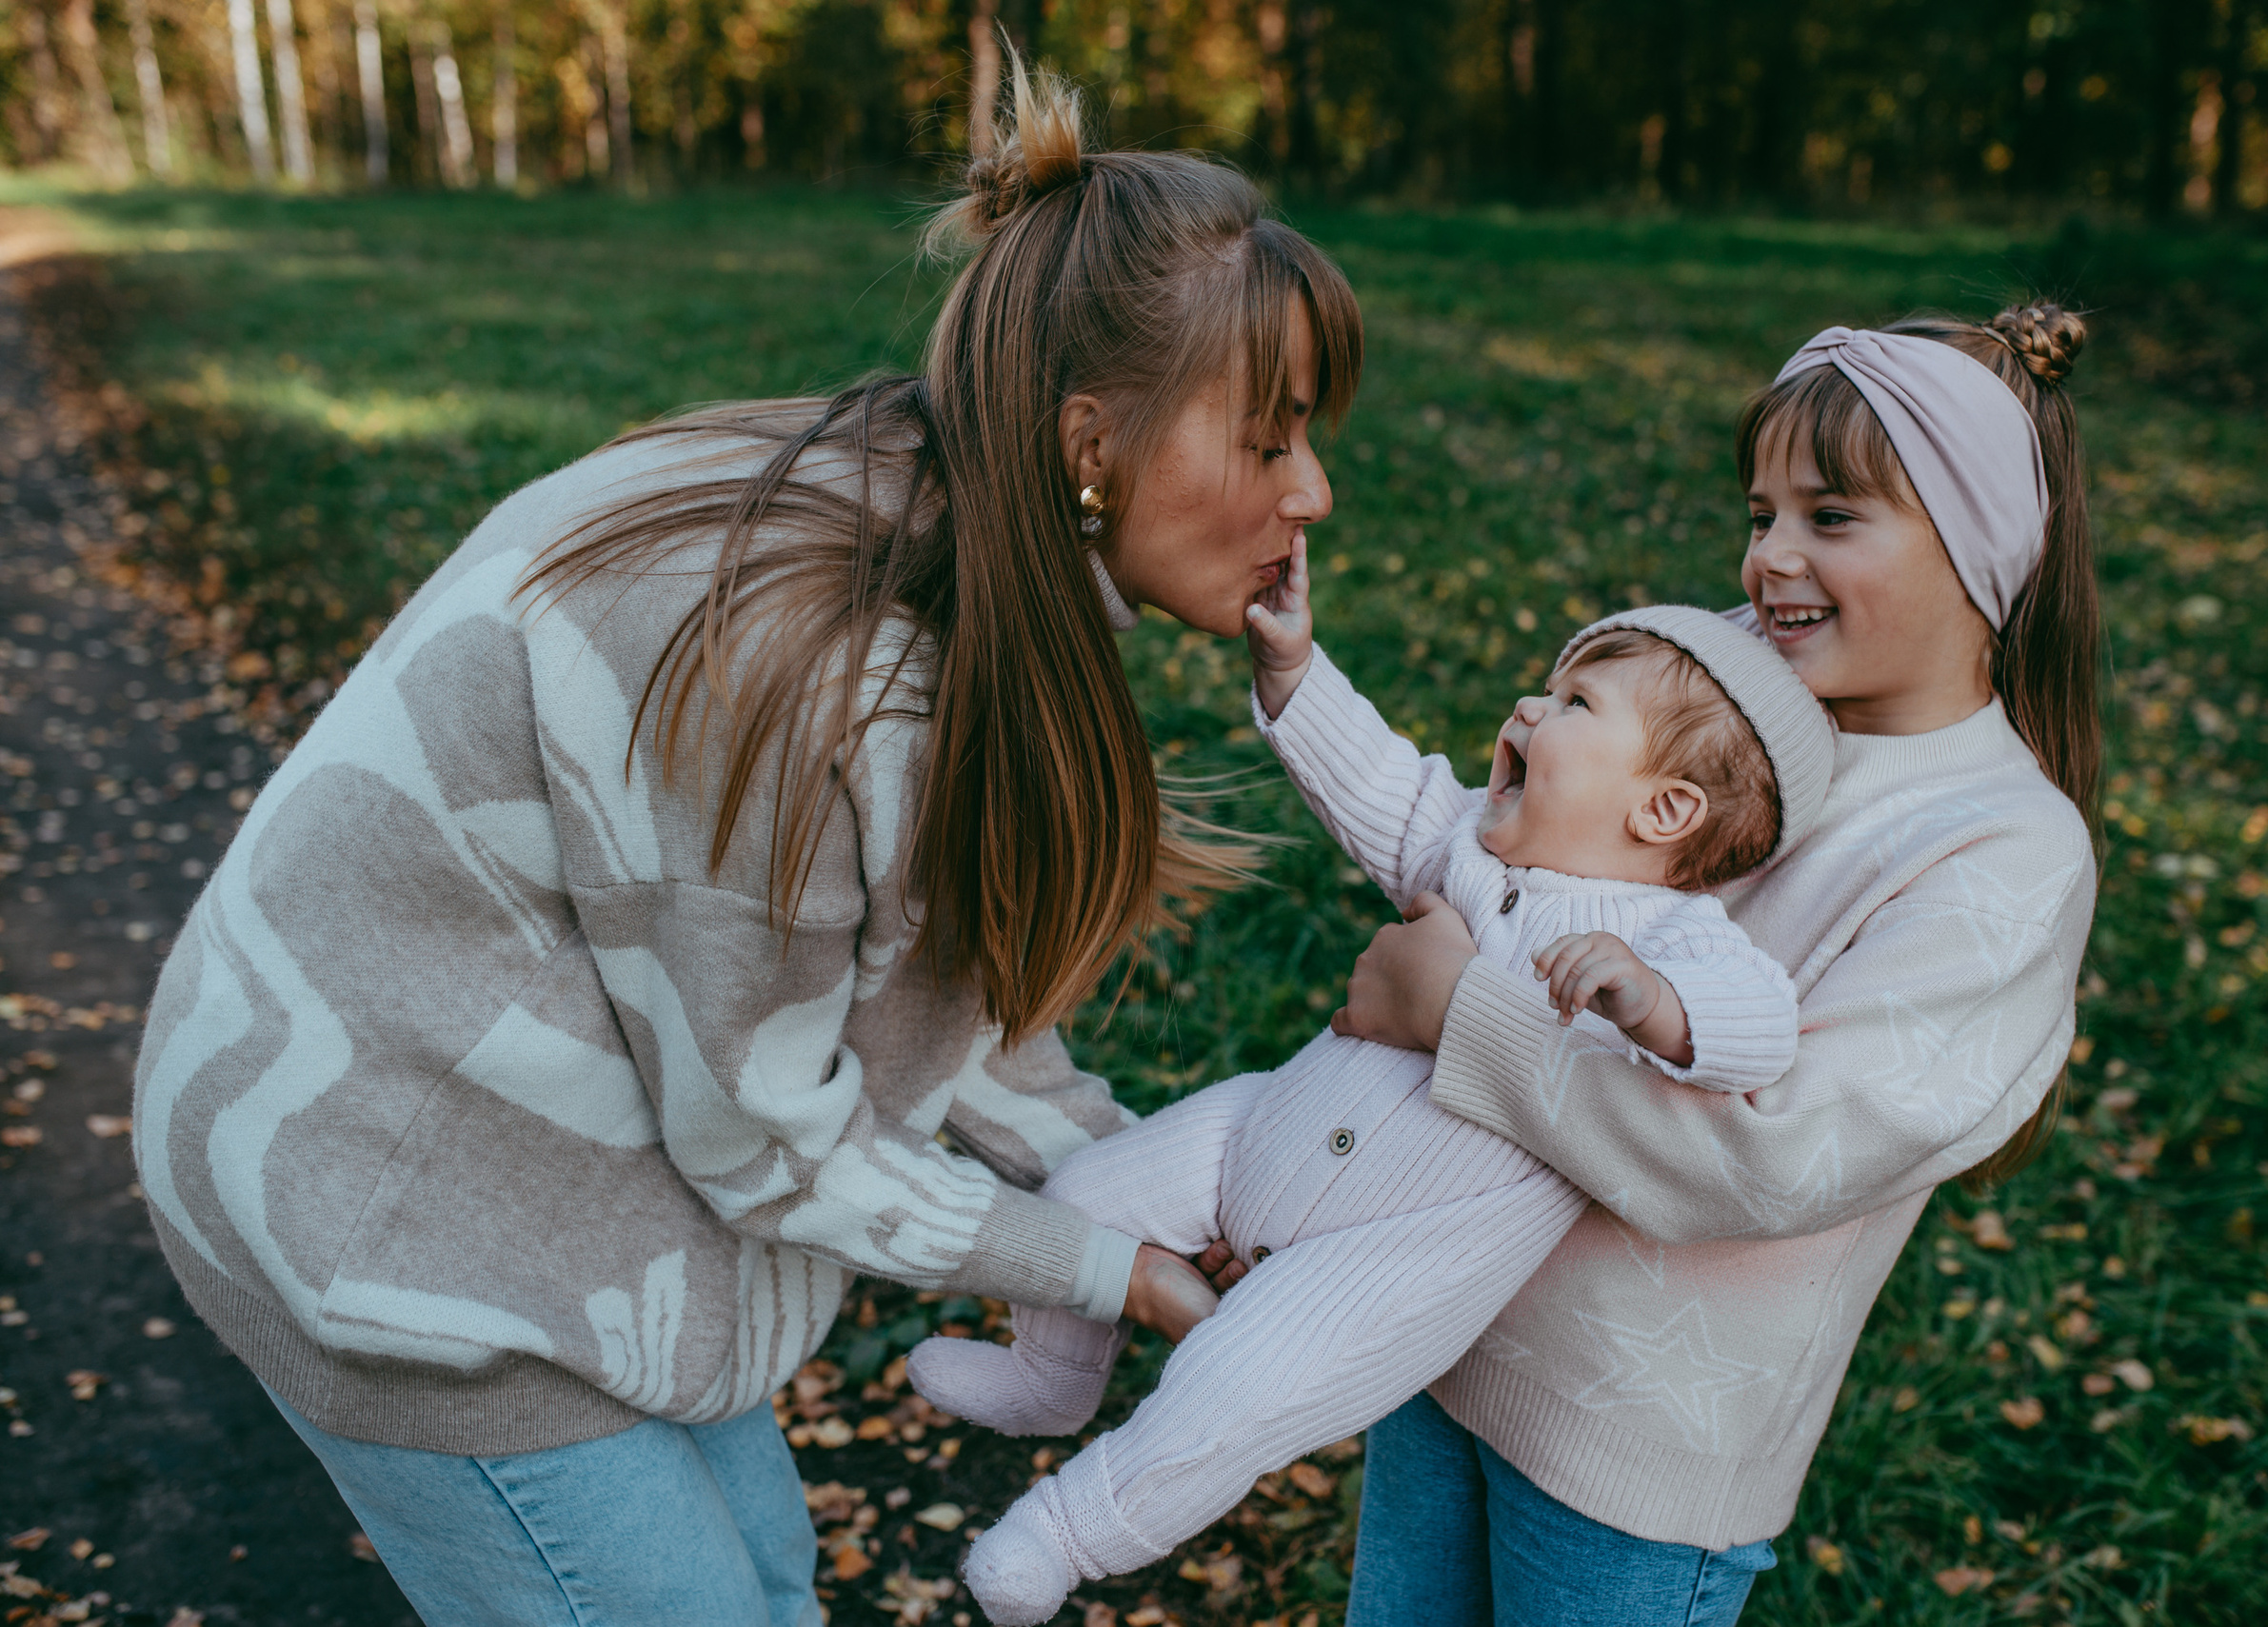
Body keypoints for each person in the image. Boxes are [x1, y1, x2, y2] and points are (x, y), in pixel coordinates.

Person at [127, 65, 1356, 1627]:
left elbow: (927, 980)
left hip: (551, 1132)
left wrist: (1140, 1186)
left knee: (765, 1583)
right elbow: (765, 1140)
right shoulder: (816, 680)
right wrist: (1109, 1265)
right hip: (384, 1200)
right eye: (1267, 439)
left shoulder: (945, 513)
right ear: (1089, 438)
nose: (1310, 492)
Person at [1323, 306, 2103, 1627]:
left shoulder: (2003, 853)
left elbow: (1771, 1152)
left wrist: (1458, 1009)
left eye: (1831, 517)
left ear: (1983, 554)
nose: (1768, 555)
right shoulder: (1733, 712)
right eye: (1762, 512)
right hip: (1446, 1327)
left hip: (1633, 1468)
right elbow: (1532, 874)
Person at [911, 596, 1835, 1624]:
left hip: (1391, 1253)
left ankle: (1064, 1533)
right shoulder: (1468, 847)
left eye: (1575, 701)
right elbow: (1381, 782)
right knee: (1086, 1190)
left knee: (1236, 1381)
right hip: (1257, 1135)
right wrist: (1293, 670)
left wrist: (1655, 1004)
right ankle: (1049, 1372)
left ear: (1662, 810)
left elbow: (1764, 1026)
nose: (1528, 705)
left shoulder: (1673, 939)